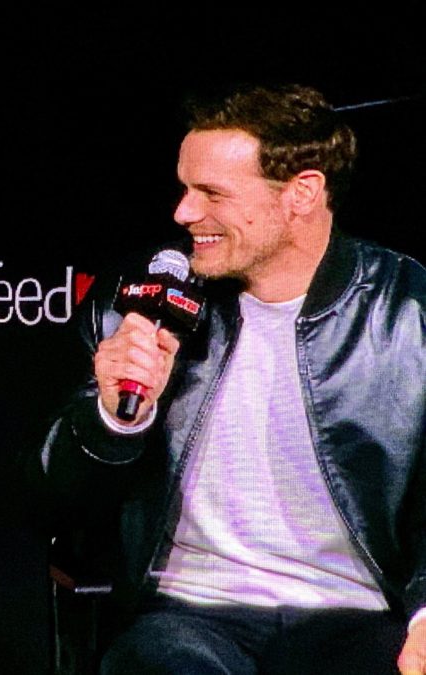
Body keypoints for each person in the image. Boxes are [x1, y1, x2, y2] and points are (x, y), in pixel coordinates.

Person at [35, 83, 426, 674]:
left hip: (356, 621)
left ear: (301, 193)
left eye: (211, 193)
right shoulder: (136, 302)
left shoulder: (409, 312)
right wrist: (114, 420)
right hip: (187, 619)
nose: (183, 213)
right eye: (184, 188)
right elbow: (53, 504)